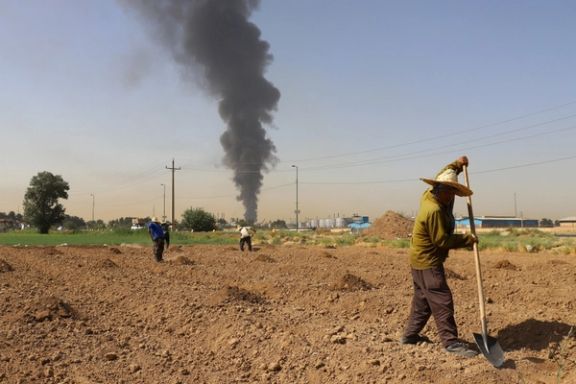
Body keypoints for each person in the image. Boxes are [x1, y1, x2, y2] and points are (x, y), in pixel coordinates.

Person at [400, 156, 479, 358]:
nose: (453, 196)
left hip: (418, 260)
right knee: (441, 299)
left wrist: (457, 165)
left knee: (423, 301)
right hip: (428, 261)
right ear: (440, 190)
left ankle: (409, 336)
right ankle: (451, 343)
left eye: (455, 190)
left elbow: (443, 174)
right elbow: (442, 240)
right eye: (451, 191)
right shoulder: (433, 209)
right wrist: (467, 240)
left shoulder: (431, 193)